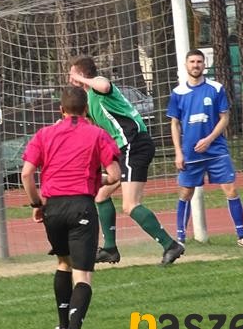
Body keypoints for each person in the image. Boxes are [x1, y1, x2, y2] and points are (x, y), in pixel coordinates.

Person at [21, 85, 122, 329]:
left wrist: (36, 204)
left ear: (61, 110)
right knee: (83, 274)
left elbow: (26, 174)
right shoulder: (97, 134)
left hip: (52, 207)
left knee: (63, 263)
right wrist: (95, 179)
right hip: (81, 207)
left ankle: (63, 326)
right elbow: (115, 175)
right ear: (86, 109)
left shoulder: (44, 134)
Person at [69, 55, 185, 266]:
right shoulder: (90, 100)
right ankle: (110, 249)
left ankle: (170, 245)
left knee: (130, 205)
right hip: (125, 149)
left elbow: (104, 85)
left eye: (73, 75)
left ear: (82, 75)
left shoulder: (98, 87)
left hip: (134, 144)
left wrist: (82, 79)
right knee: (101, 196)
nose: (70, 80)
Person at [167, 49, 243, 248]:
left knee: (231, 189)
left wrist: (209, 139)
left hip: (216, 150)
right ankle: (180, 239)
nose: (196, 65)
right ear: (186, 65)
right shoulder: (178, 93)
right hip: (191, 153)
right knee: (186, 193)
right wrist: (178, 152)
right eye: (192, 61)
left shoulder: (216, 88)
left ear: (204, 64)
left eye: (199, 61)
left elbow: (224, 118)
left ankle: (242, 236)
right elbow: (174, 124)